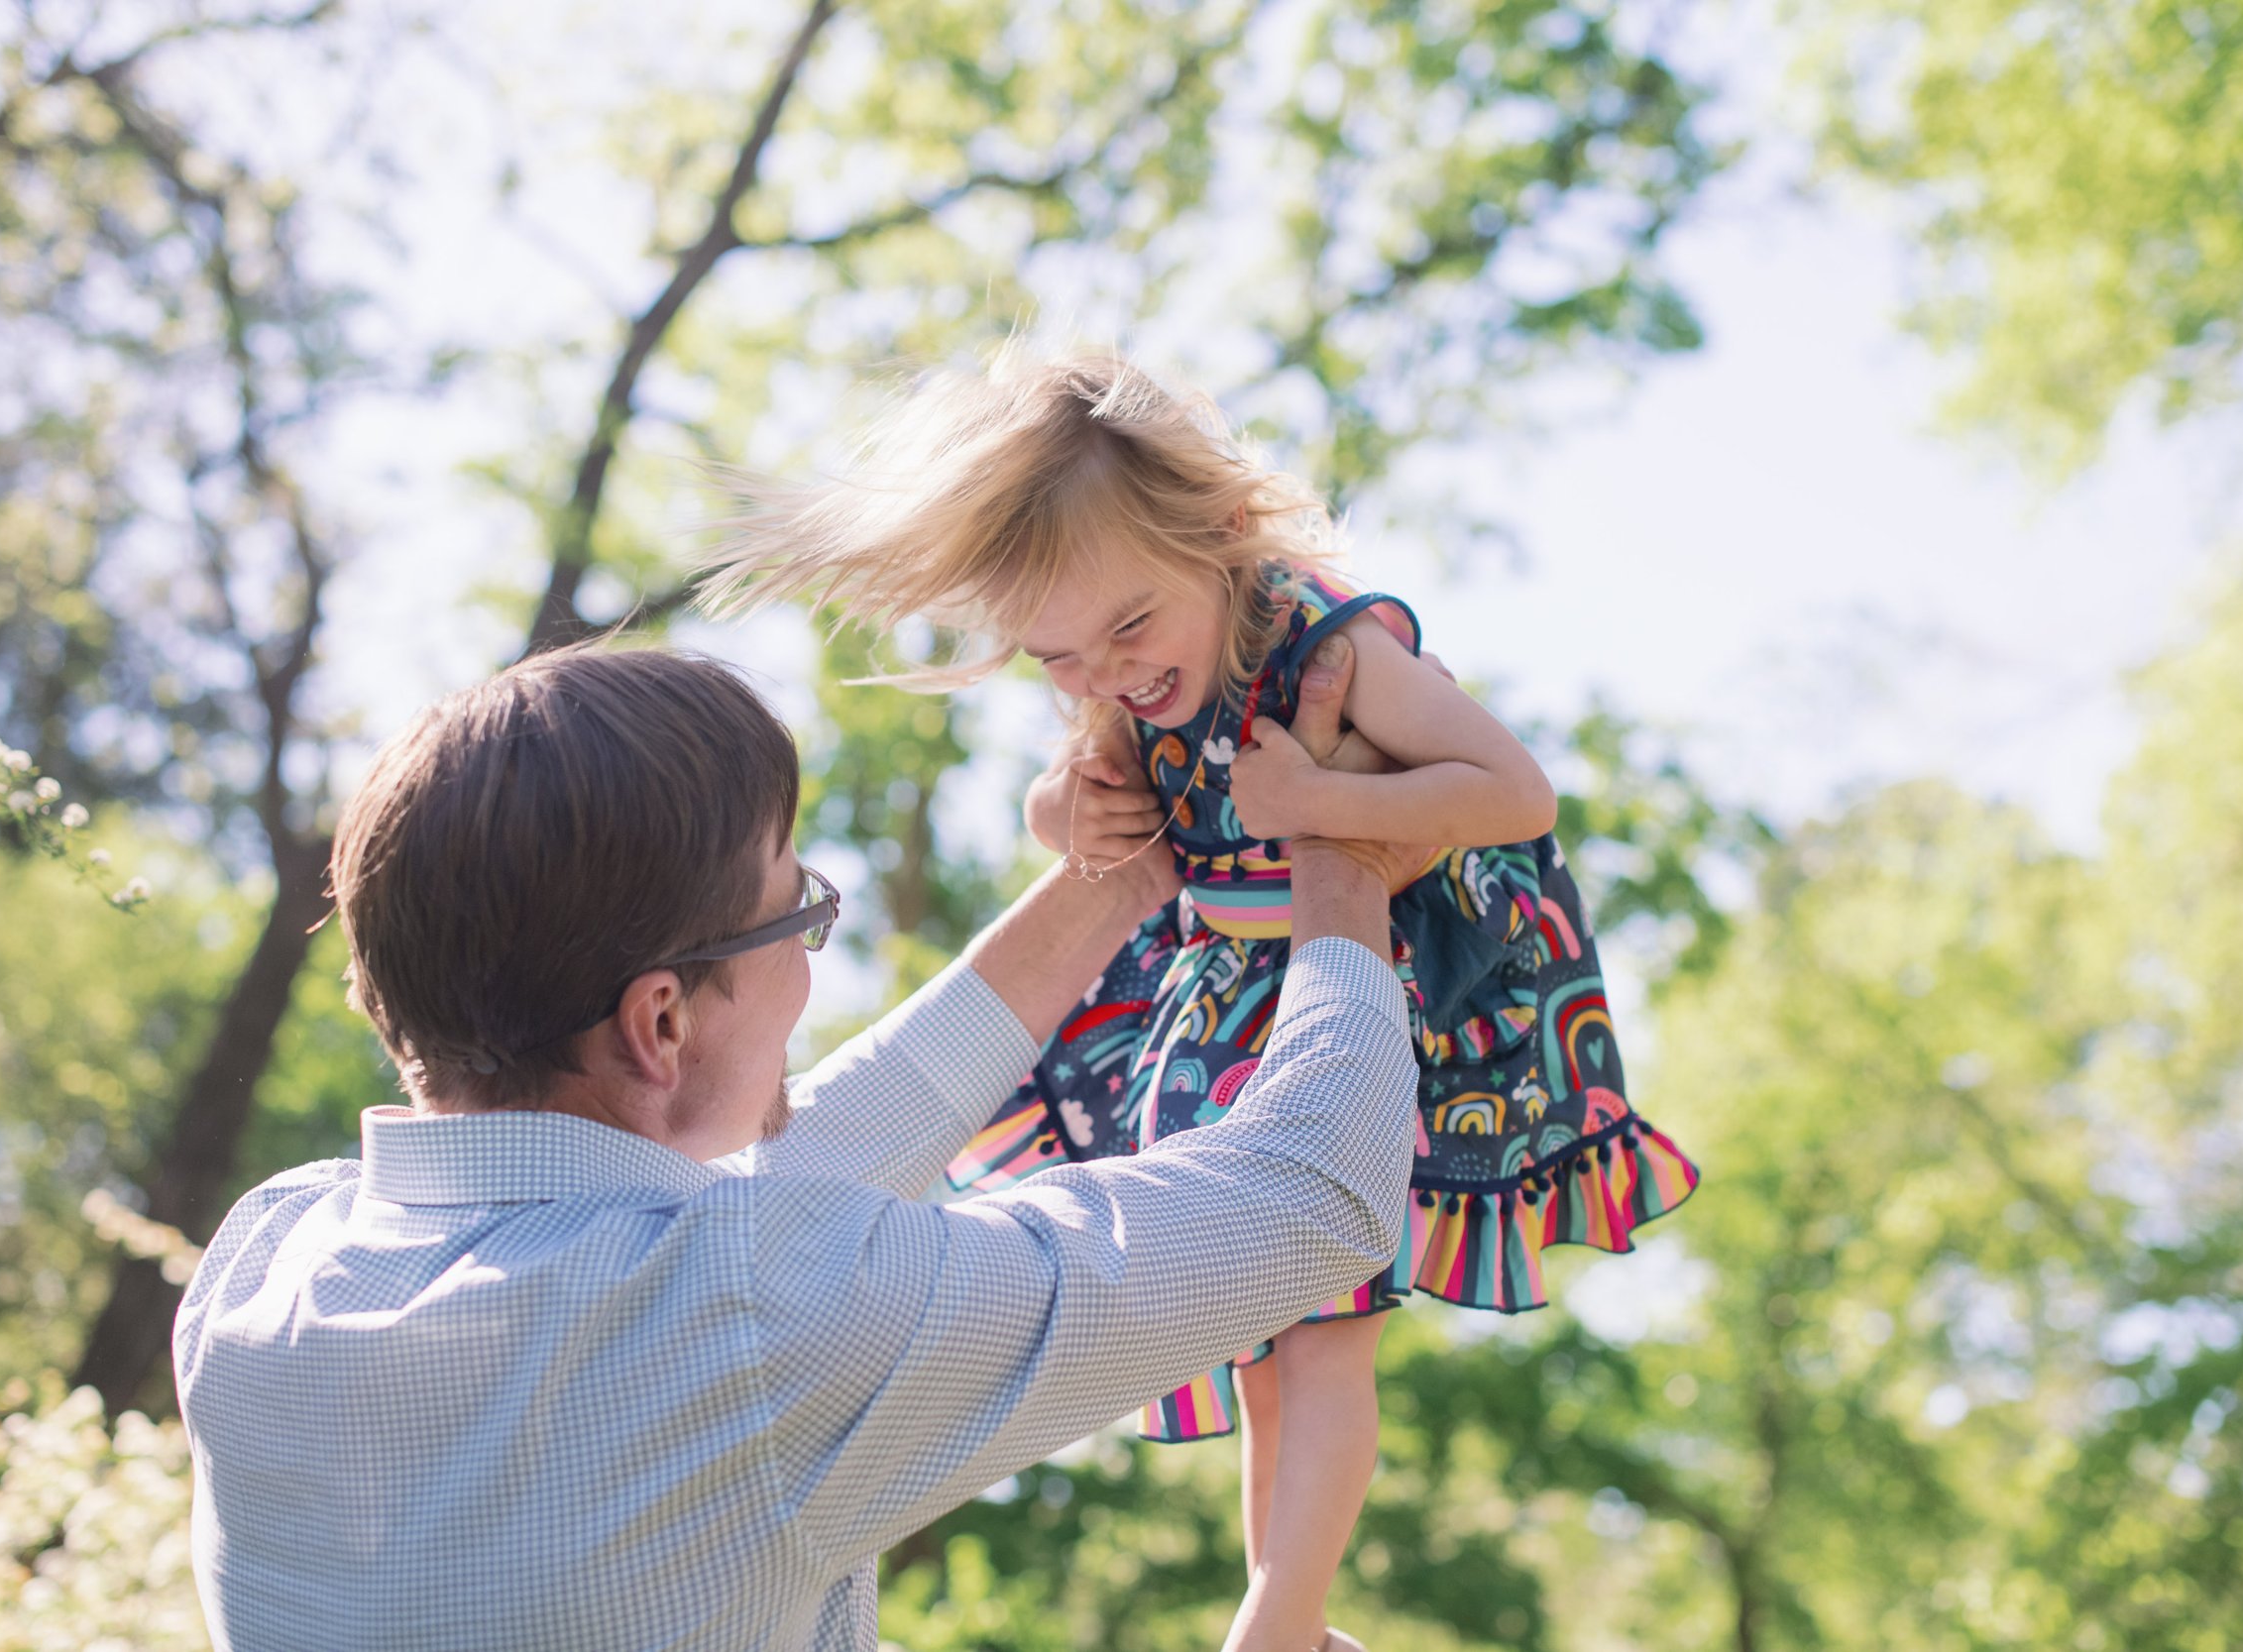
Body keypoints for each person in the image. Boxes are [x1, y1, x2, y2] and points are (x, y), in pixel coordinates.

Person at [695, 347, 1703, 1652]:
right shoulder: (1120, 673)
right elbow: (1075, 793)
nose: (1107, 675)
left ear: (1223, 536)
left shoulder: (1321, 643)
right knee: (1263, 1319)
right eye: (1060, 656)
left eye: (1127, 629)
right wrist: (1065, 808)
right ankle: (1280, 1609)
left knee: (1328, 1326)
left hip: (1397, 984)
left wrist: (1326, 805)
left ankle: (1281, 1616)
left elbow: (1514, 792)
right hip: (1237, 996)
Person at [172, 638, 1429, 1652]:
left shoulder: (264, 1270)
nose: (812, 964)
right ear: (660, 1018)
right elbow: (1316, 1188)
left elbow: (773, 1190)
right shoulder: (753, 1312)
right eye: (801, 911)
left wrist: (1125, 871)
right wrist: (1337, 857)